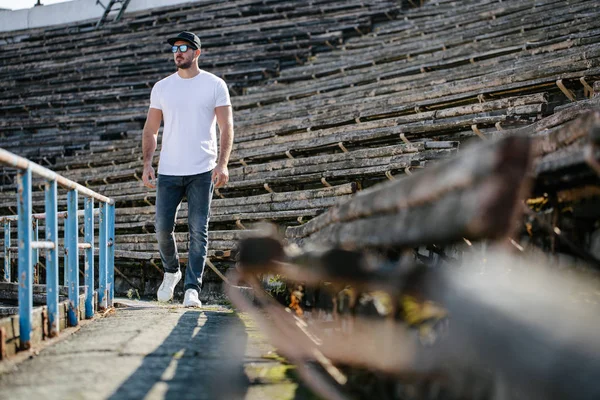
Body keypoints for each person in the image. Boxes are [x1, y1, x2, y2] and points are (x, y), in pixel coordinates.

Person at [141, 31, 233, 307]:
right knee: (161, 227)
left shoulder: (215, 85)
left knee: (198, 230)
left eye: (184, 47)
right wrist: (147, 162)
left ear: (197, 53)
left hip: (202, 169)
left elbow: (226, 126)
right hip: (169, 169)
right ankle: (172, 271)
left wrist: (223, 163)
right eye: (174, 49)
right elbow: (150, 129)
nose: (178, 52)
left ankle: (192, 288)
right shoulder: (162, 87)